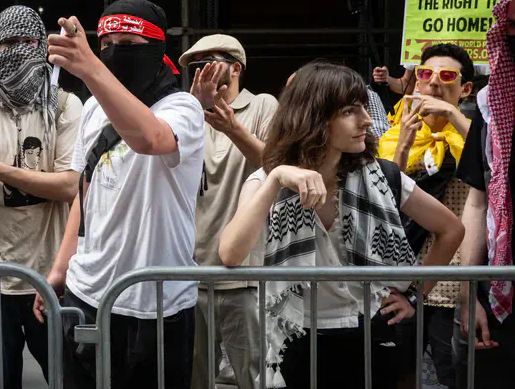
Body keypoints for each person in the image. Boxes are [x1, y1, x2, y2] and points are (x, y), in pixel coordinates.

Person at [218, 62, 464, 389]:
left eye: (363, 107)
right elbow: (231, 254)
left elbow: (451, 230)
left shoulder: (381, 177)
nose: (365, 120)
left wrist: (415, 296)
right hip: (297, 337)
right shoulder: (267, 181)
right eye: (350, 110)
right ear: (314, 117)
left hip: (375, 334)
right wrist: (277, 177)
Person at [35, 0, 203, 389]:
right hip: (88, 292)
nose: (113, 52)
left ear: (158, 49)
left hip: (158, 303)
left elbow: (152, 138)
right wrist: (60, 269)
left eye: (126, 44)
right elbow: (84, 191)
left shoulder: (184, 108)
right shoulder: (93, 108)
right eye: (106, 43)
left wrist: (92, 67)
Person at [0, 4, 82, 389]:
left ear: (42, 46)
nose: (19, 51)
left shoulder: (63, 105)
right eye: (9, 43)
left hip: (52, 277)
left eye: (28, 42)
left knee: (66, 378)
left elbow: (69, 185)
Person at [178, 34, 278, 389]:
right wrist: (190, 110)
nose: (201, 69)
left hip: (245, 274)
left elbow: (276, 168)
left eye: (211, 60)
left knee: (254, 375)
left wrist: (233, 128)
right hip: (190, 272)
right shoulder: (186, 113)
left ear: (236, 68)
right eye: (194, 64)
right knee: (193, 376)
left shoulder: (263, 105)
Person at [378, 43, 475, 389]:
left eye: (446, 76)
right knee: (397, 375)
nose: (434, 83)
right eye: (425, 74)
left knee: (454, 375)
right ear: (416, 83)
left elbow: (493, 172)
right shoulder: (392, 135)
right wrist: (403, 147)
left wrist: (452, 118)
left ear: (465, 89)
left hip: (456, 282)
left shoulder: (475, 134)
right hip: (403, 281)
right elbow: (382, 200)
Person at [453, 0, 515, 388]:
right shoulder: (491, 109)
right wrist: (466, 293)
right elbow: (477, 204)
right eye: (511, 27)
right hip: (500, 287)